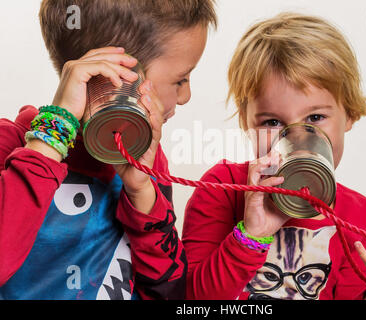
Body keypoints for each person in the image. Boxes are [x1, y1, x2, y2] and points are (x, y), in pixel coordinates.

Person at [182, 12, 366, 300]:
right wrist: (251, 236)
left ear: (350, 115)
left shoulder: (358, 215)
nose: (297, 137)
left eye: (315, 117)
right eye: (272, 122)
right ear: (247, 124)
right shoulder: (222, 188)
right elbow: (191, 301)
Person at [0, 0, 217, 300]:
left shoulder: (146, 160)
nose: (186, 96)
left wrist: (142, 193)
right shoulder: (11, 144)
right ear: (117, 75)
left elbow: (168, 291)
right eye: (180, 79)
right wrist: (49, 139)